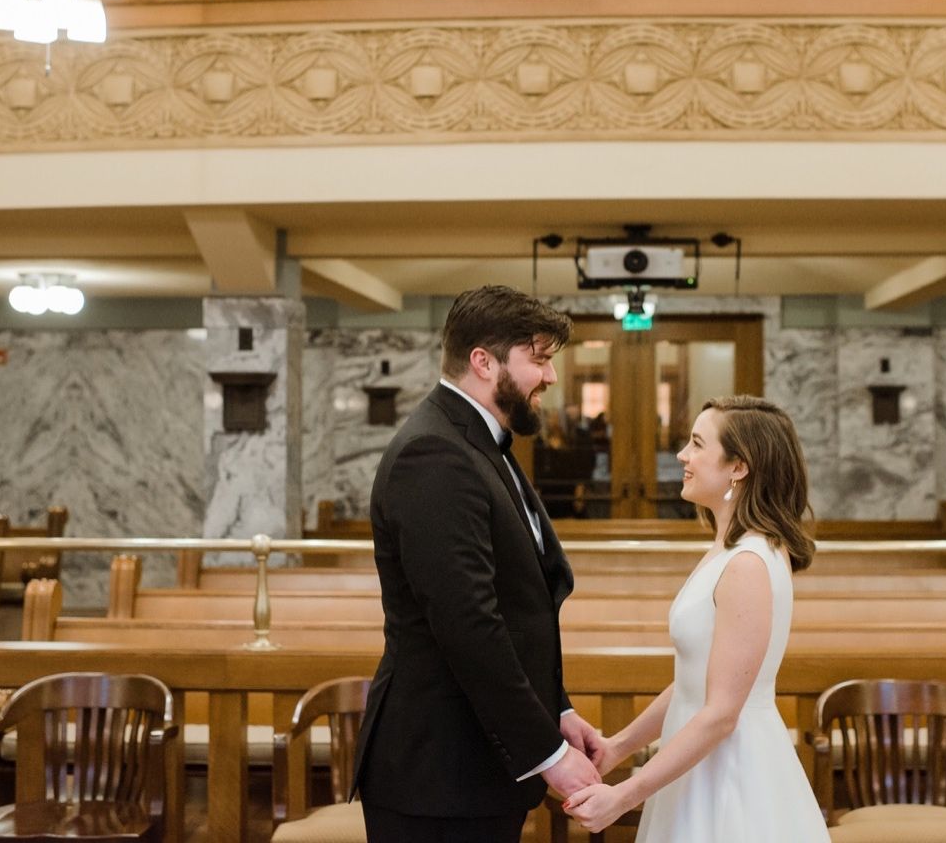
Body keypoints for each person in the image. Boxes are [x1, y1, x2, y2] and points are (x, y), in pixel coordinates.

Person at [352, 285, 605, 843]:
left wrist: (556, 711)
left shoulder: (478, 444)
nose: (551, 377)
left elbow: (517, 607)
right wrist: (547, 751)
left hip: (471, 768)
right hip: (439, 774)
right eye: (538, 360)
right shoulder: (435, 454)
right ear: (483, 362)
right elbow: (469, 624)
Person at [562, 395, 830, 842]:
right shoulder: (730, 549)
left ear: (738, 467)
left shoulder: (749, 562)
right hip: (695, 763)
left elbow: (722, 714)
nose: (683, 456)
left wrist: (626, 795)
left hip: (732, 772)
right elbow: (694, 680)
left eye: (697, 445)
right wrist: (618, 747)